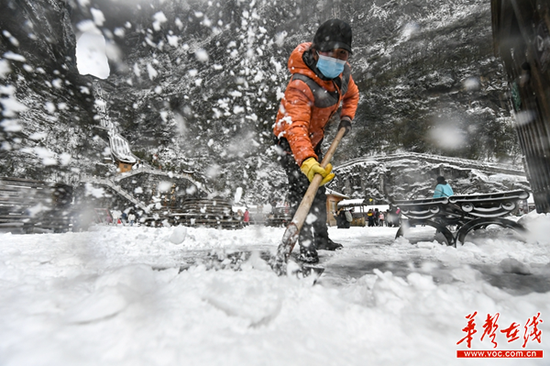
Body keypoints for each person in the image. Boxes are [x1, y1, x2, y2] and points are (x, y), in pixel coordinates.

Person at [273, 19, 360, 263]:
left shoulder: (343, 74)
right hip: (290, 140)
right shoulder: (300, 85)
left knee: (319, 191)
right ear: (315, 50)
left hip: (315, 137)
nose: (335, 57)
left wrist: (346, 119)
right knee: (301, 190)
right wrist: (307, 161)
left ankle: (321, 237)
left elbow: (352, 96)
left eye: (341, 52)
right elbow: (297, 127)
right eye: (329, 51)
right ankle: (306, 243)